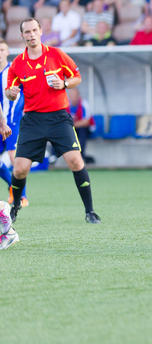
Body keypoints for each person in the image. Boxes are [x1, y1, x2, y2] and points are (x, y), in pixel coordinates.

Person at [5, 18, 101, 224]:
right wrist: (12, 93)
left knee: (75, 161)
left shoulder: (56, 54)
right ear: (22, 36)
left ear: (40, 31)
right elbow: (10, 93)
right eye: (27, 32)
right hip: (32, 120)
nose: (31, 35)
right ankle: (15, 206)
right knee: (19, 168)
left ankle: (90, 211)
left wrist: (64, 83)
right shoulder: (17, 64)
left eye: (34, 30)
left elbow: (76, 76)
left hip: (58, 117)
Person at [0, 38, 27, 207]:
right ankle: (12, 185)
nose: (0, 53)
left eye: (2, 49)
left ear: (8, 52)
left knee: (14, 157)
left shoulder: (14, 70)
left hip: (13, 121)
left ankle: (22, 197)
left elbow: (29, 89)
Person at [66, 88, 95, 163]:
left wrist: (72, 125)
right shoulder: (66, 104)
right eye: (71, 95)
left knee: (83, 130)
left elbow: (86, 122)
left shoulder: (84, 104)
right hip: (72, 128)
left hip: (86, 129)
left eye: (75, 95)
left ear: (78, 96)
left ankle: (80, 156)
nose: (73, 97)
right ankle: (53, 156)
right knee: (58, 131)